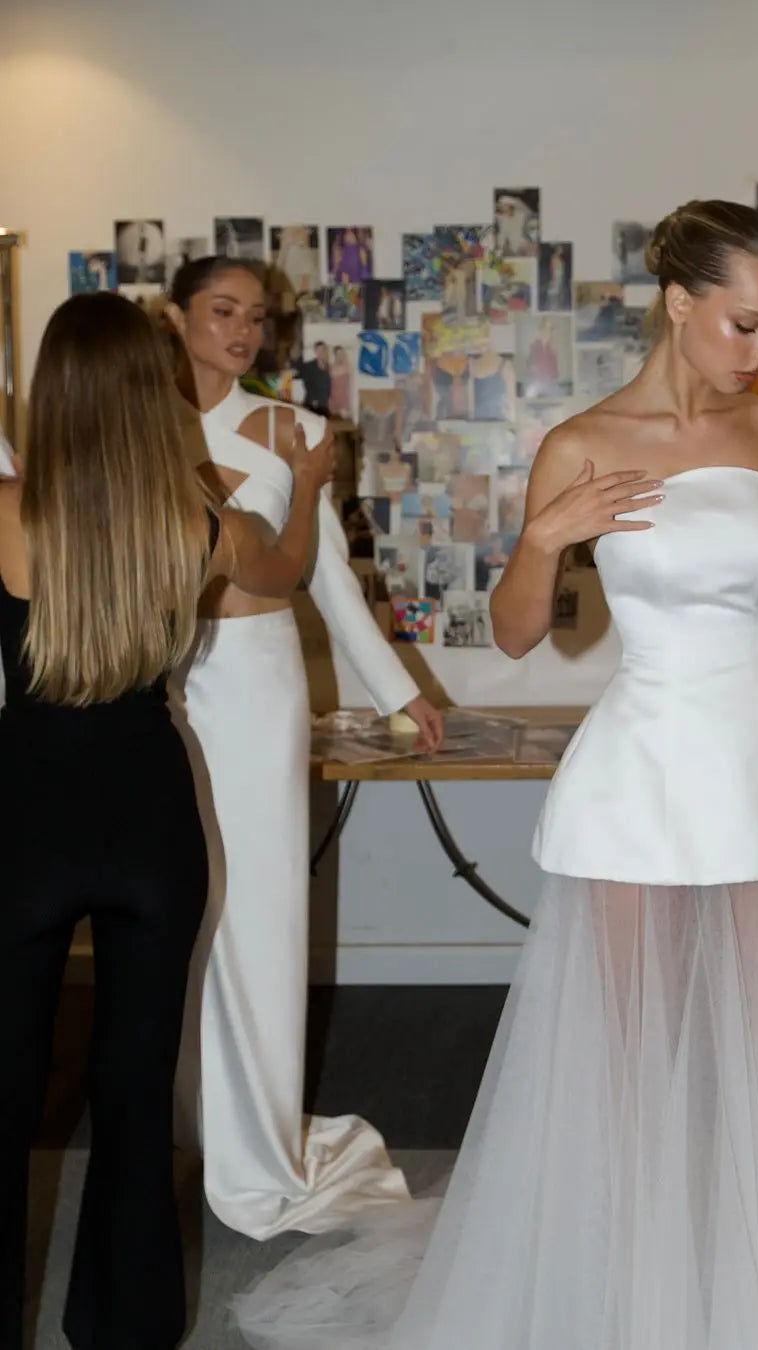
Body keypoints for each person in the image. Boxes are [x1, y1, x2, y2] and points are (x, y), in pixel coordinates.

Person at [235, 201, 758, 1349]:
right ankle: (641, 1303)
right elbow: (523, 632)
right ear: (681, 305)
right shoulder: (581, 442)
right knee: (635, 1068)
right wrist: (542, 540)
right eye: (744, 324)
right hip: (644, 778)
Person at [0, 292, 332, 1350]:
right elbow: (285, 570)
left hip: (23, 830)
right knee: (136, 1100)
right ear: (157, 396)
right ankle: (126, 1329)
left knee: (5, 1095)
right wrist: (312, 488)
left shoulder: (5, 513)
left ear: (49, 391)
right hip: (152, 827)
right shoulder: (209, 524)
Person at [165, 257, 443, 1241]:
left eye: (256, 317)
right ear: (178, 316)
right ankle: (196, 1115)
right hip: (161, 687)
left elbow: (325, 575)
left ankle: (262, 1147)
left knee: (266, 908)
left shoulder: (292, 431)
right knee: (181, 913)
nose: (243, 330)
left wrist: (400, 688)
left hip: (261, 688)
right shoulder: (134, 423)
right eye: (222, 311)